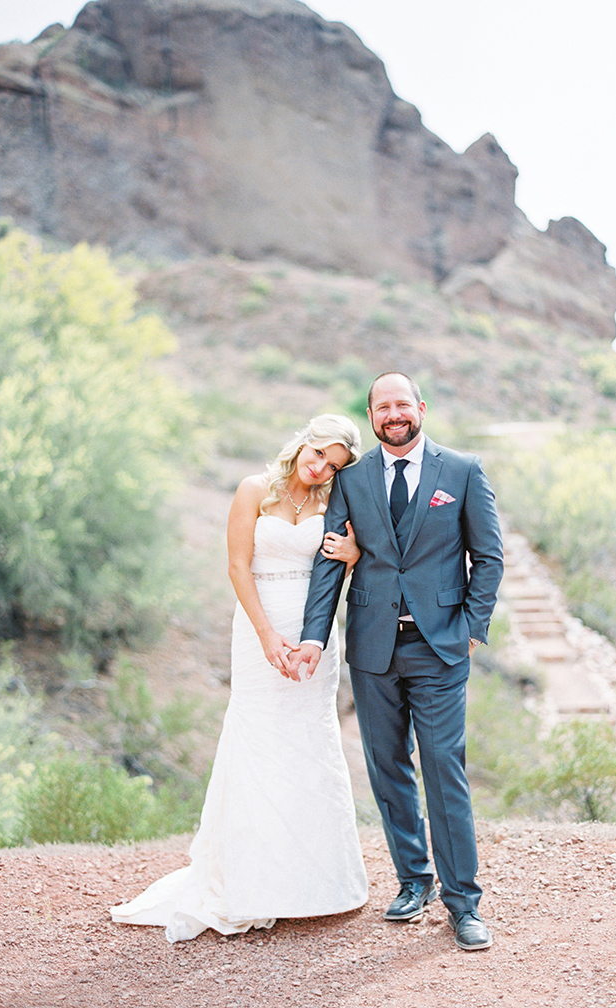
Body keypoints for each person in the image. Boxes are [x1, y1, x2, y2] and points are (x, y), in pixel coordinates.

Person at [110, 415, 368, 941]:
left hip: (317, 632)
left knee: (311, 740)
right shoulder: (254, 488)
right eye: (317, 455)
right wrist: (268, 637)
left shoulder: (335, 504)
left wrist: (355, 556)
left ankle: (318, 881)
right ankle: (253, 878)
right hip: (259, 624)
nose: (320, 469)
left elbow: (352, 564)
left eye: (333, 466)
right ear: (303, 443)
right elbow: (237, 567)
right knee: (259, 738)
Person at [292, 373, 503, 951]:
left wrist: (472, 631)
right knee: (387, 769)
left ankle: (464, 903)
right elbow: (331, 562)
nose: (394, 414)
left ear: (421, 408)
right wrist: (315, 635)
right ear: (371, 415)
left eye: (402, 404)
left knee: (443, 769)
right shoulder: (353, 480)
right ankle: (414, 881)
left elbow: (488, 556)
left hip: (441, 648)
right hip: (373, 647)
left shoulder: (461, 470)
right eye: (382, 407)